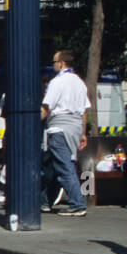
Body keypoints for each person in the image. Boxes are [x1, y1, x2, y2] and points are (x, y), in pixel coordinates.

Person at [40, 50, 89, 217]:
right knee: (56, 167)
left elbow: (46, 106)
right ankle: (44, 201)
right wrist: (82, 132)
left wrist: (33, 124)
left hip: (58, 128)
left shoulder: (57, 82)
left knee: (63, 166)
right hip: (74, 127)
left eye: (54, 62)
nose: (53, 65)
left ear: (61, 63)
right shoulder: (80, 83)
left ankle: (77, 204)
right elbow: (84, 111)